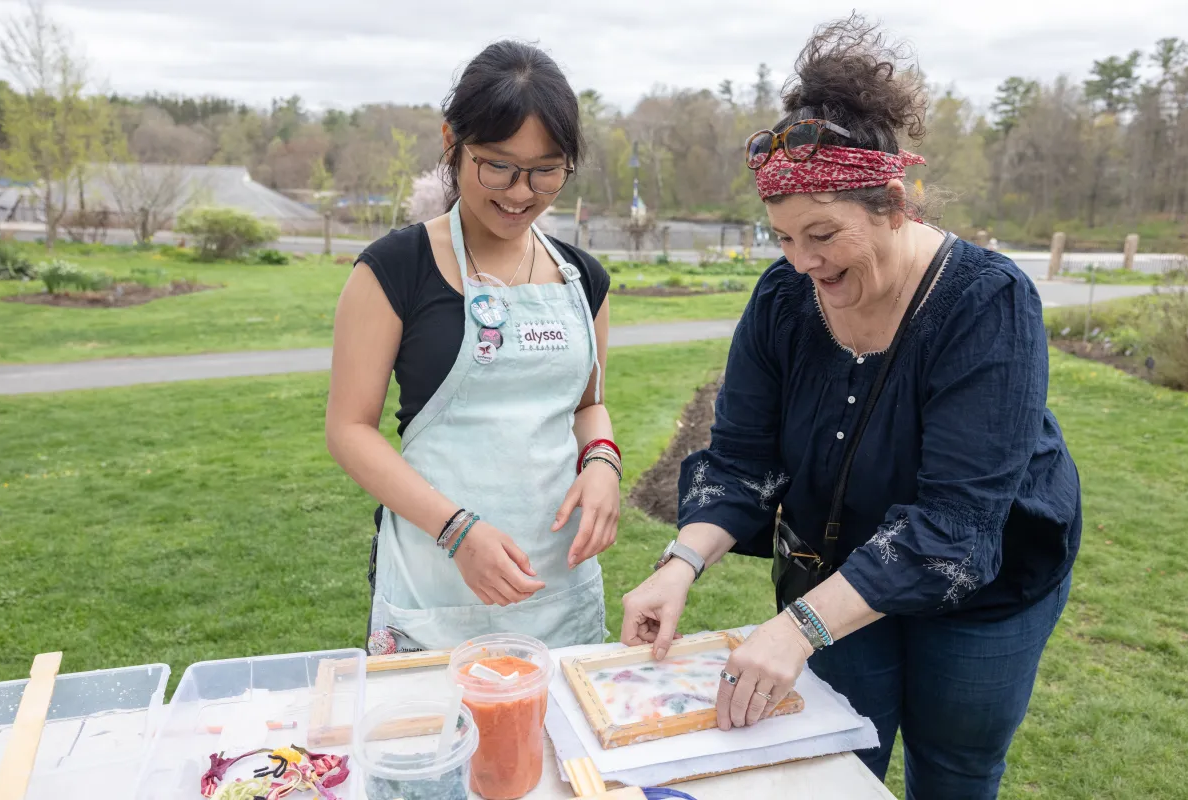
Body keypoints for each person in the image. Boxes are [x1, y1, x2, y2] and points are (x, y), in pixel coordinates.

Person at [620, 16, 1081, 799]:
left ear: (893, 204)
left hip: (987, 591)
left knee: (957, 766)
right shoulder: (782, 301)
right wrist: (681, 563)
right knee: (833, 765)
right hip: (833, 570)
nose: (803, 264)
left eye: (823, 235)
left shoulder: (988, 303)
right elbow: (740, 460)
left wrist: (798, 628)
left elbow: (954, 525)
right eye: (782, 238)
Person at [326, 40, 621, 655]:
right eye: (498, 165)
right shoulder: (393, 270)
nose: (521, 192)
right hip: (436, 580)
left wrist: (601, 463)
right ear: (451, 143)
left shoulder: (583, 279)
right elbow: (350, 429)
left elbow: (588, 405)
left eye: (546, 169)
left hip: (555, 583)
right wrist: (457, 531)